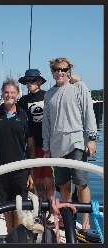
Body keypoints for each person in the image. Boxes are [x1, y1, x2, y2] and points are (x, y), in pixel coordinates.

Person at [42, 57, 97, 231]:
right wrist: (46, 147)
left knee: (81, 183)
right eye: (56, 69)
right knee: (64, 185)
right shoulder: (48, 94)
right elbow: (47, 123)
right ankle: (66, 218)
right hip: (57, 146)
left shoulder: (79, 87)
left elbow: (89, 112)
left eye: (63, 70)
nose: (60, 73)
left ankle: (86, 221)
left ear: (69, 71)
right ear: (52, 72)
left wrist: (92, 138)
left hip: (77, 143)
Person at [18, 69, 82, 201]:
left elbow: (66, 94)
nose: (30, 83)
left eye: (33, 80)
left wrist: (76, 81)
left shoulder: (49, 95)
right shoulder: (22, 101)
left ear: (40, 81)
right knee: (38, 179)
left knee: (49, 178)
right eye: (27, 81)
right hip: (32, 146)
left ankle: (53, 209)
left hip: (48, 145)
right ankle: (43, 209)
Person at [0, 77, 36, 233]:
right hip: (1, 170)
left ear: (18, 94)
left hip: (20, 171)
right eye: (6, 92)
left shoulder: (25, 115)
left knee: (19, 209)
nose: (9, 95)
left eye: (12, 92)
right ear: (2, 93)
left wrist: (31, 172)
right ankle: (10, 237)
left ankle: (16, 239)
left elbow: (31, 146)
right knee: (6, 208)